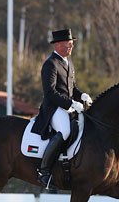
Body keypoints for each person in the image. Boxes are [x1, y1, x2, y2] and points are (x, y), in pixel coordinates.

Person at [32, 28, 92, 190]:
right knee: (65, 131)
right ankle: (43, 171)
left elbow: (72, 88)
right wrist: (70, 104)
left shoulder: (68, 62)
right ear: (58, 44)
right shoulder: (50, 64)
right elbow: (50, 92)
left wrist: (82, 95)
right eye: (69, 44)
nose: (71, 47)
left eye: (72, 44)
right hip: (54, 108)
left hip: (69, 107)